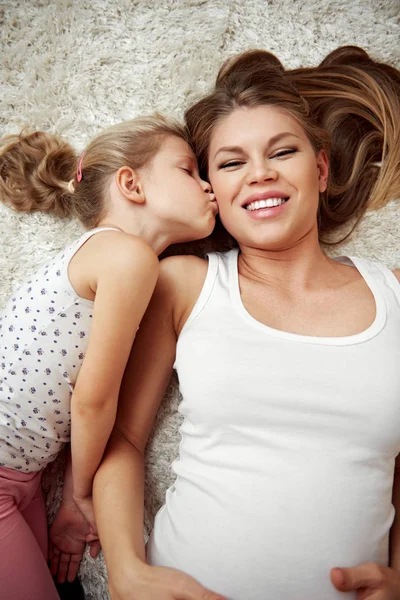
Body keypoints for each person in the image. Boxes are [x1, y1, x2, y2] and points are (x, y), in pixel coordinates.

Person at [93, 46, 400, 600]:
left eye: (282, 152)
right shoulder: (183, 283)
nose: (260, 174)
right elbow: (123, 438)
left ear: (322, 169)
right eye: (232, 162)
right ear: (212, 189)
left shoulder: (396, 293)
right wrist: (127, 571)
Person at [0, 115, 218, 600]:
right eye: (189, 170)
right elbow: (93, 404)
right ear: (130, 183)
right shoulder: (126, 258)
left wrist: (71, 495)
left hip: (23, 478)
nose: (210, 186)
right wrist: (80, 497)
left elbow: (97, 395)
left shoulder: (116, 262)